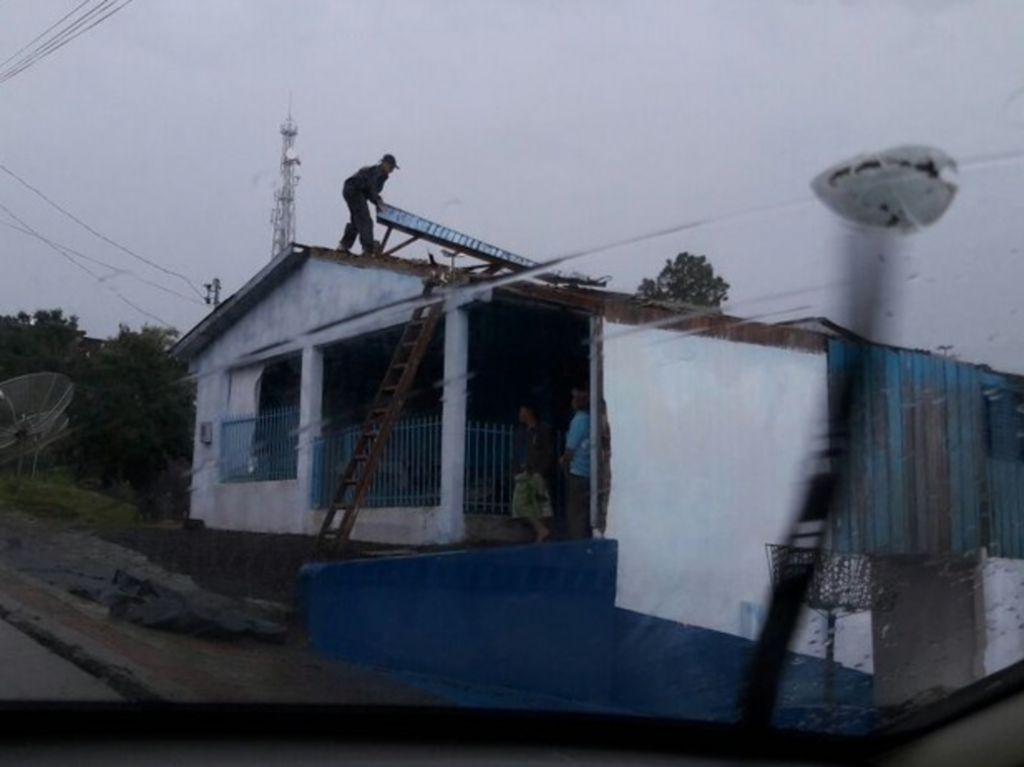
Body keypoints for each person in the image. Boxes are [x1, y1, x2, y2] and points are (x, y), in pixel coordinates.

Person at [511, 404, 556, 543]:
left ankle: (542, 535)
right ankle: (541, 529)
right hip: (523, 473)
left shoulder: (542, 430)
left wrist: (541, 470)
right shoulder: (520, 431)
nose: (520, 414)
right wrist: (515, 470)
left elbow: (549, 452)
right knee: (519, 505)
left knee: (541, 505)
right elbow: (517, 452)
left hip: (537, 473)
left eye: (522, 410)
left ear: (530, 412)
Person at [338, 153, 399, 256]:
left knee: (357, 221)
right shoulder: (376, 172)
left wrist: (377, 201)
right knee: (365, 219)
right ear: (384, 163)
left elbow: (371, 192)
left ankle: (343, 246)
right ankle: (368, 249)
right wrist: (377, 201)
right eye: (390, 166)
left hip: (354, 191)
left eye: (393, 168)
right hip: (354, 190)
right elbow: (371, 189)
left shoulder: (381, 175)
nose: (392, 170)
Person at [560, 386, 591, 540]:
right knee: (586, 512)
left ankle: (577, 544)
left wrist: (564, 465)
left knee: (575, 513)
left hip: (577, 472)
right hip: (590, 472)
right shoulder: (592, 420)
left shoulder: (578, 420)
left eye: (574, 398)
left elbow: (570, 450)